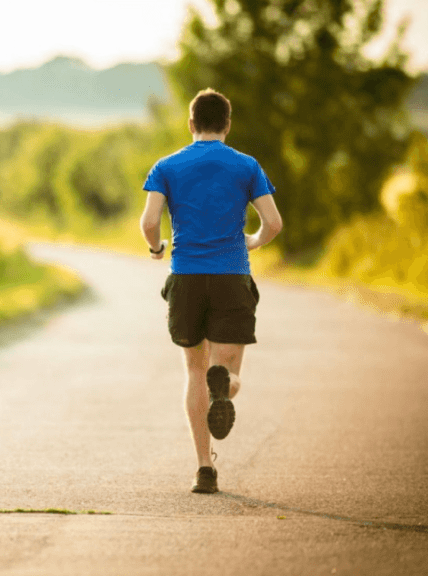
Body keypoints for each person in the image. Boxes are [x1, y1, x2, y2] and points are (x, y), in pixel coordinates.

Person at [139, 88, 283, 494]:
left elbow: (150, 222)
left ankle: (205, 469)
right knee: (229, 371)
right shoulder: (246, 165)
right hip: (230, 276)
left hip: (185, 277)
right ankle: (228, 386)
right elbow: (273, 223)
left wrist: (156, 249)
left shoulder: (167, 165)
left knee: (194, 371)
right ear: (228, 124)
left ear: (191, 124)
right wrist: (252, 241)